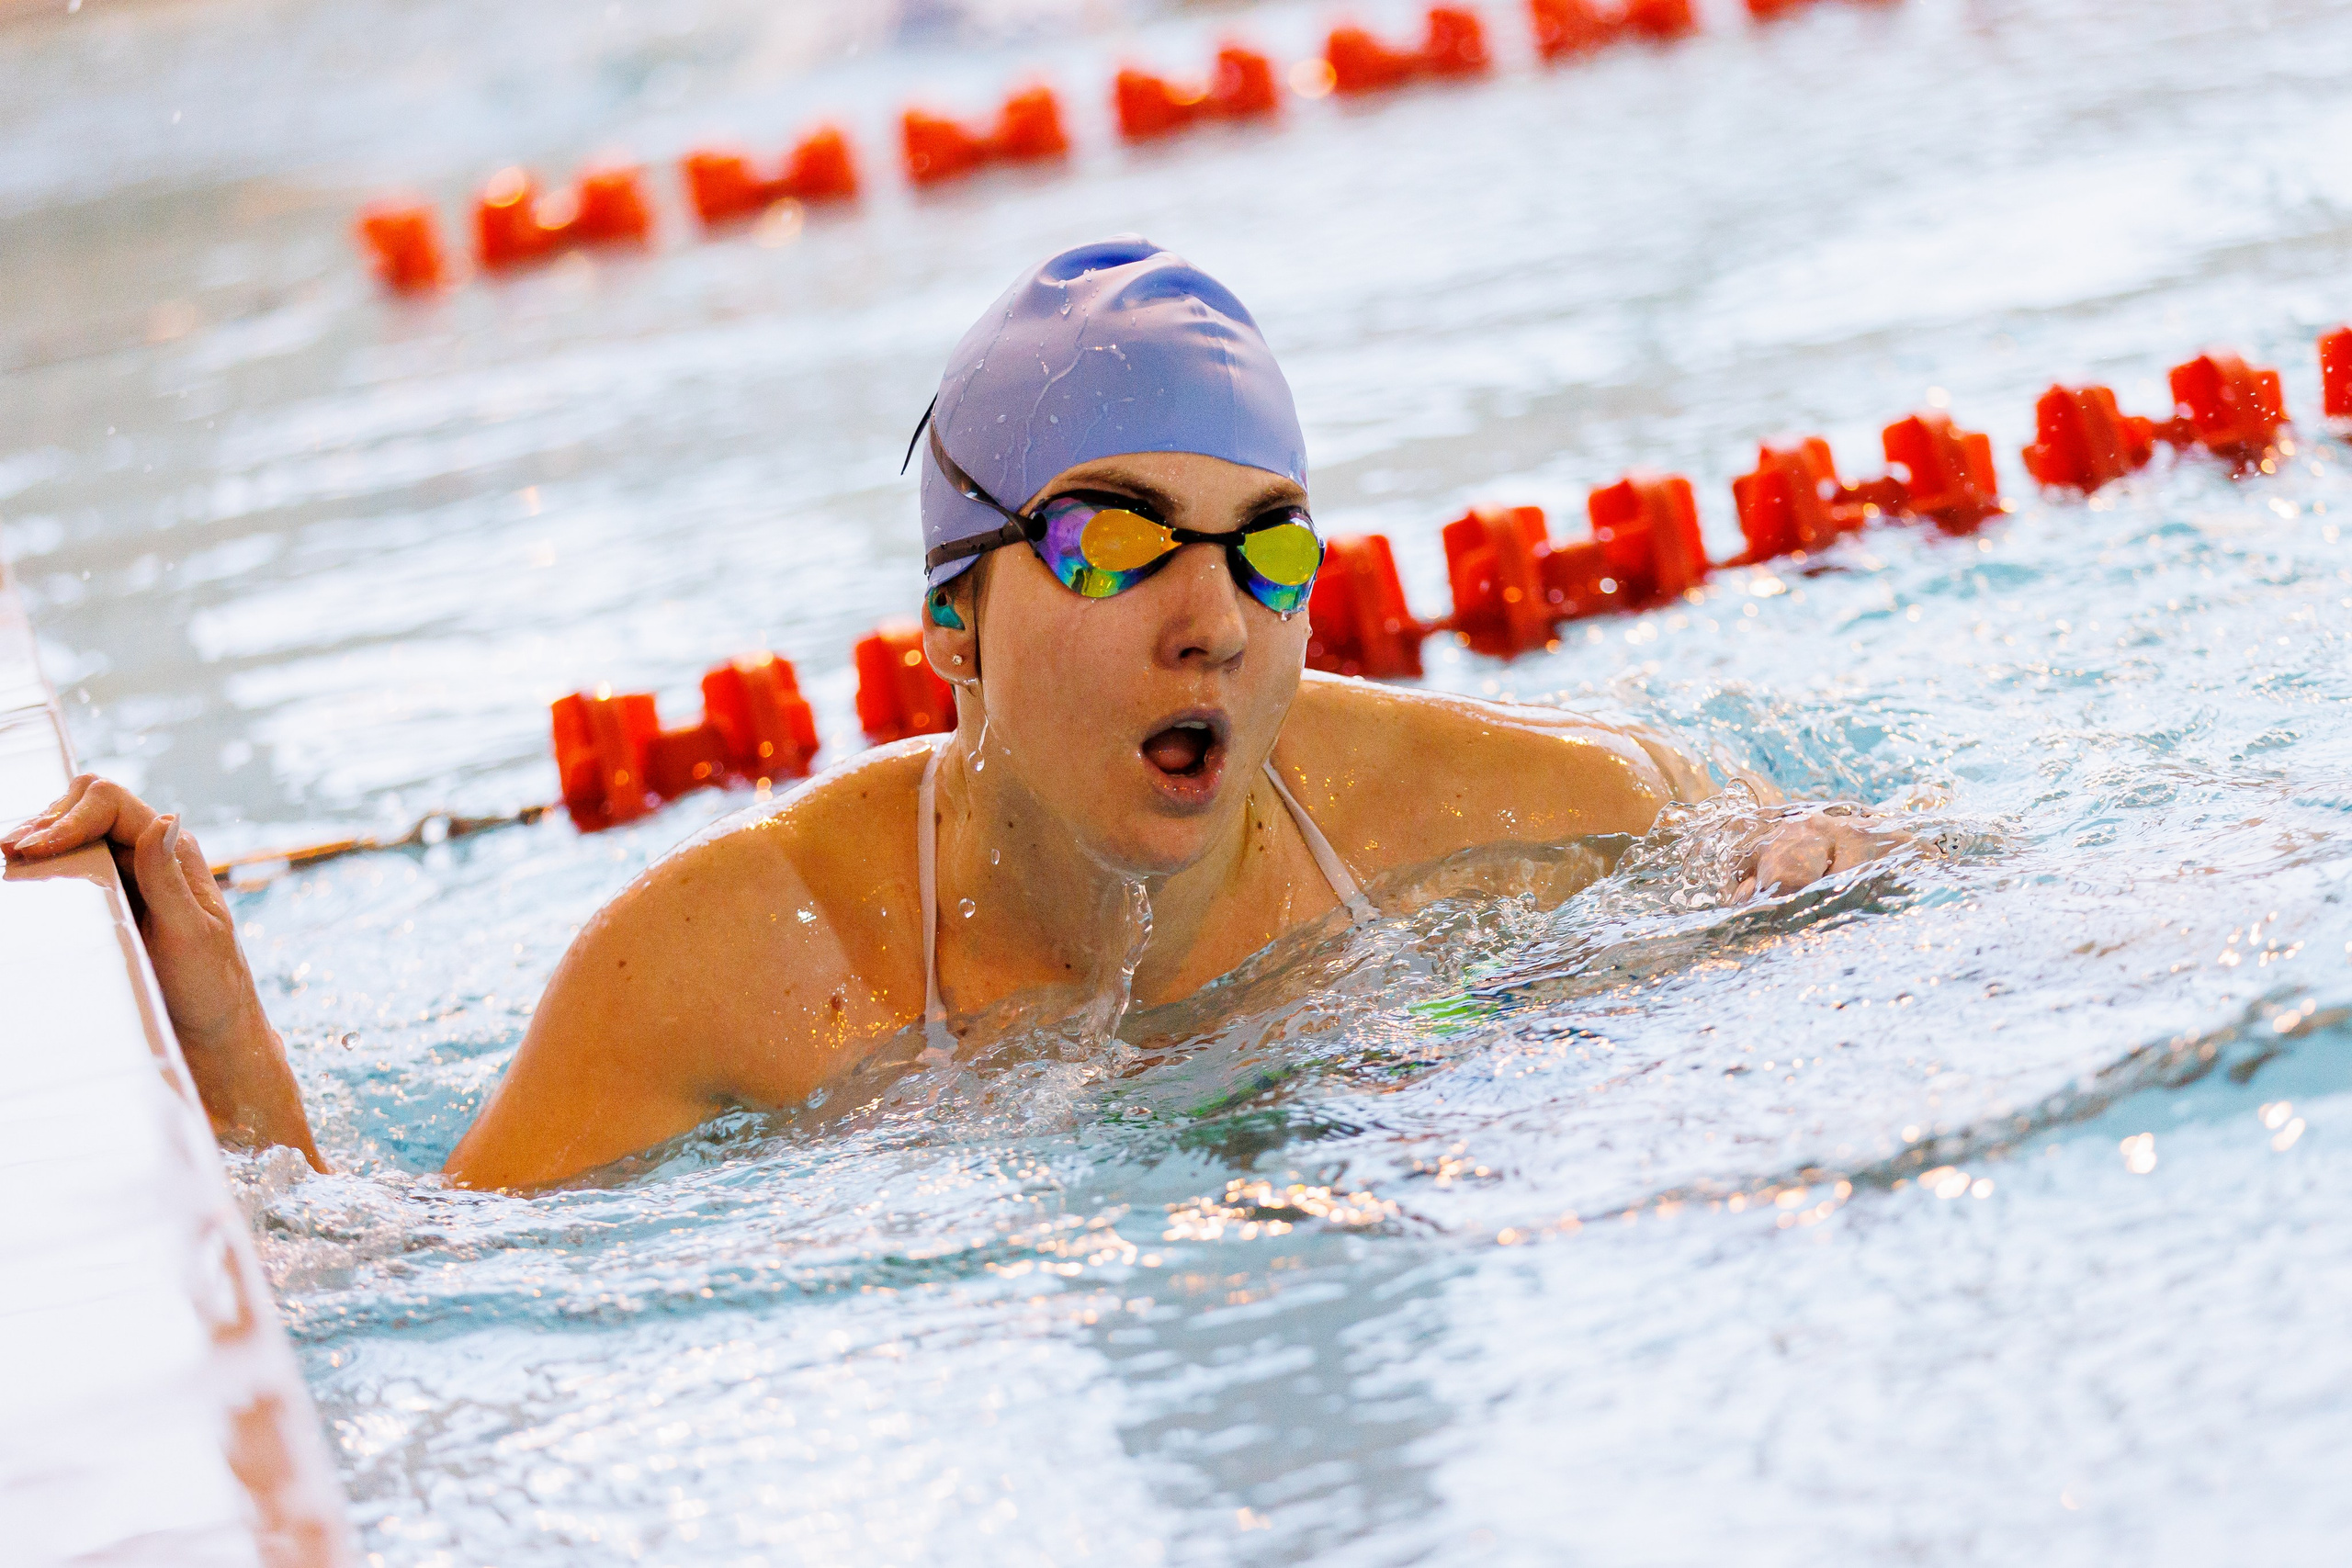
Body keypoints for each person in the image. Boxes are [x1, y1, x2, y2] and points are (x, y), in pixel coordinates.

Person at [1, 238, 1910, 1190]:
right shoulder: (738, 962)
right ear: (949, 631)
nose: (1206, 625)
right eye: (1110, 545)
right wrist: (228, 1049)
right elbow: (392, 1275)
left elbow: (1838, 857)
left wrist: (1806, 893)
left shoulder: (1454, 808)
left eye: (1264, 551)